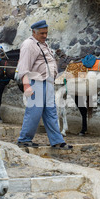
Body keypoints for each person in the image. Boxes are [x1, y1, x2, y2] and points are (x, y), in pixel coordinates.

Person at [16, 20, 72, 150]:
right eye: (42, 33)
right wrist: (26, 85)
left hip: (48, 82)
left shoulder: (43, 44)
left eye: (46, 33)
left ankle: (57, 141)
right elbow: (24, 66)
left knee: (51, 112)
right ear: (34, 32)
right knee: (34, 112)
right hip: (36, 82)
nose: (45, 35)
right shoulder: (29, 44)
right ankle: (24, 139)